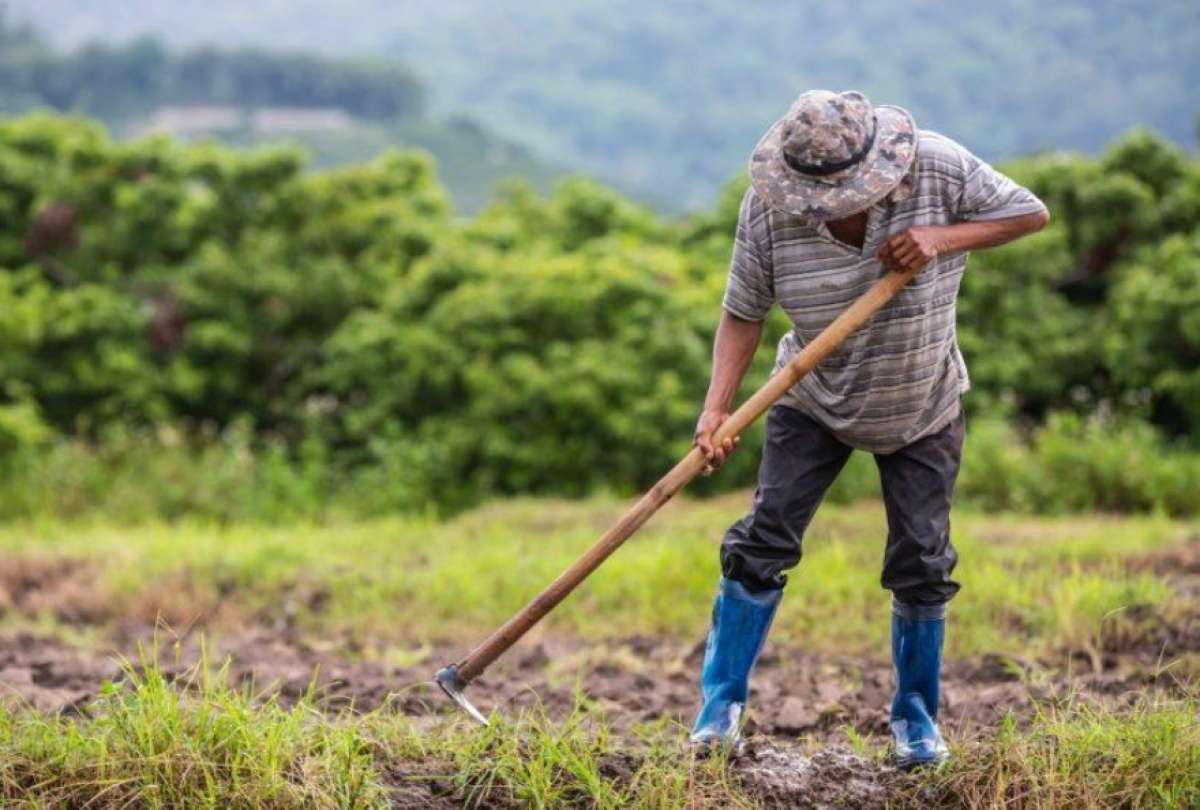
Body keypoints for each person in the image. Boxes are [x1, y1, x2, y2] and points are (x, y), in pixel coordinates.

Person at [690, 89, 1049, 768]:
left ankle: (916, 723)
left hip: (922, 400)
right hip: (811, 395)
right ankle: (718, 715)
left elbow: (1029, 213)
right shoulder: (769, 208)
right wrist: (717, 409)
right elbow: (743, 311)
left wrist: (941, 238)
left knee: (921, 560)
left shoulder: (938, 167)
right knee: (762, 542)